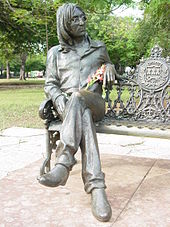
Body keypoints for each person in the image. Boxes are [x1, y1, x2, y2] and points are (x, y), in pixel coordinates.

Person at [38, 3, 117, 222]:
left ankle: (64, 162)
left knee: (79, 97)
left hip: (95, 103)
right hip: (71, 109)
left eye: (83, 18)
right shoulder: (55, 53)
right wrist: (57, 98)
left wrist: (109, 66)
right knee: (79, 110)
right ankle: (96, 188)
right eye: (75, 19)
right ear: (64, 23)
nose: (82, 22)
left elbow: (109, 65)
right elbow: (50, 84)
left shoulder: (98, 47)